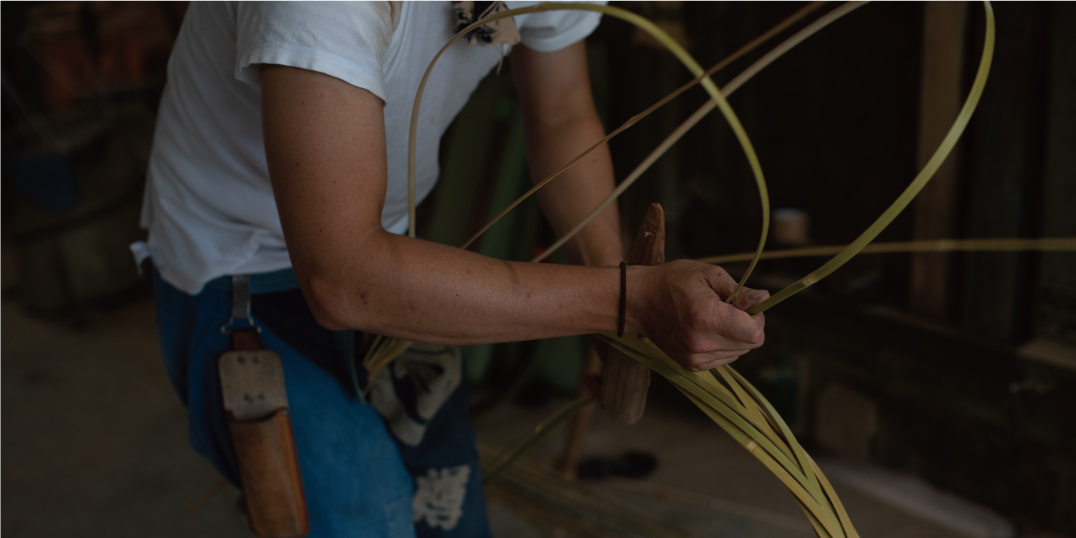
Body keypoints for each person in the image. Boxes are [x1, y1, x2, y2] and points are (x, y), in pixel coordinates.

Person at [134, 2, 768, 537]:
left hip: (384, 257)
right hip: (242, 270)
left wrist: (610, 284)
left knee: (446, 508)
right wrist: (628, 299)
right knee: (369, 517)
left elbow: (561, 110)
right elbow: (342, 275)